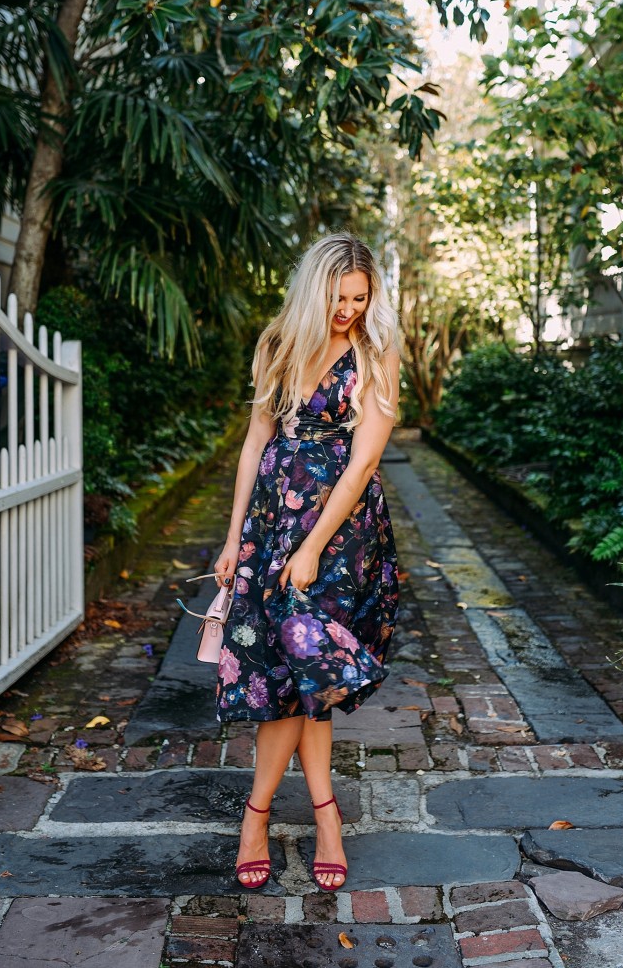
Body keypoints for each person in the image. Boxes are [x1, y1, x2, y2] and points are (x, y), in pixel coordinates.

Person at [213, 232, 401, 893]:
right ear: (311, 290)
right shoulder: (279, 345)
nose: (347, 309)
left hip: (339, 538)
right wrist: (234, 537)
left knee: (306, 669)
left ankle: (258, 818)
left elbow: (364, 463)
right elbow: (256, 440)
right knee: (286, 679)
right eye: (336, 296)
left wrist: (314, 547)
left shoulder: (375, 355)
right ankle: (324, 818)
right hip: (270, 525)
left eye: (359, 297)